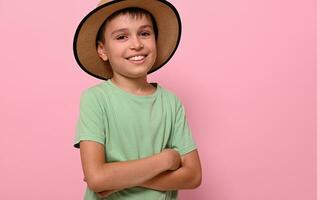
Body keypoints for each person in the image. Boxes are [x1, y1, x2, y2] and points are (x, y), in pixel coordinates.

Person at [73, 0, 202, 199]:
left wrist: (117, 180)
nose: (136, 44)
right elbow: (97, 179)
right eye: (122, 37)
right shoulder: (95, 99)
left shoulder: (171, 102)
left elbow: (193, 176)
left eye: (144, 33)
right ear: (102, 50)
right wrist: (166, 160)